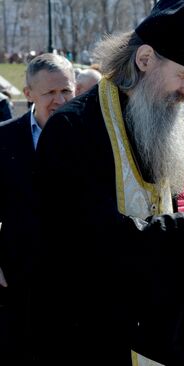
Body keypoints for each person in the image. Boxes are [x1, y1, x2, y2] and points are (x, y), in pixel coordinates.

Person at [29, 1, 184, 365]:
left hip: (165, 329)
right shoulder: (73, 129)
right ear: (145, 59)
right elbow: (92, 239)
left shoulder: (160, 116)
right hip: (101, 333)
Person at [0, 53, 75, 364]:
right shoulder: (4, 137)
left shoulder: (93, 137)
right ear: (28, 93)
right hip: (19, 280)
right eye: (49, 93)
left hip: (76, 280)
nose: (59, 100)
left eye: (66, 91)